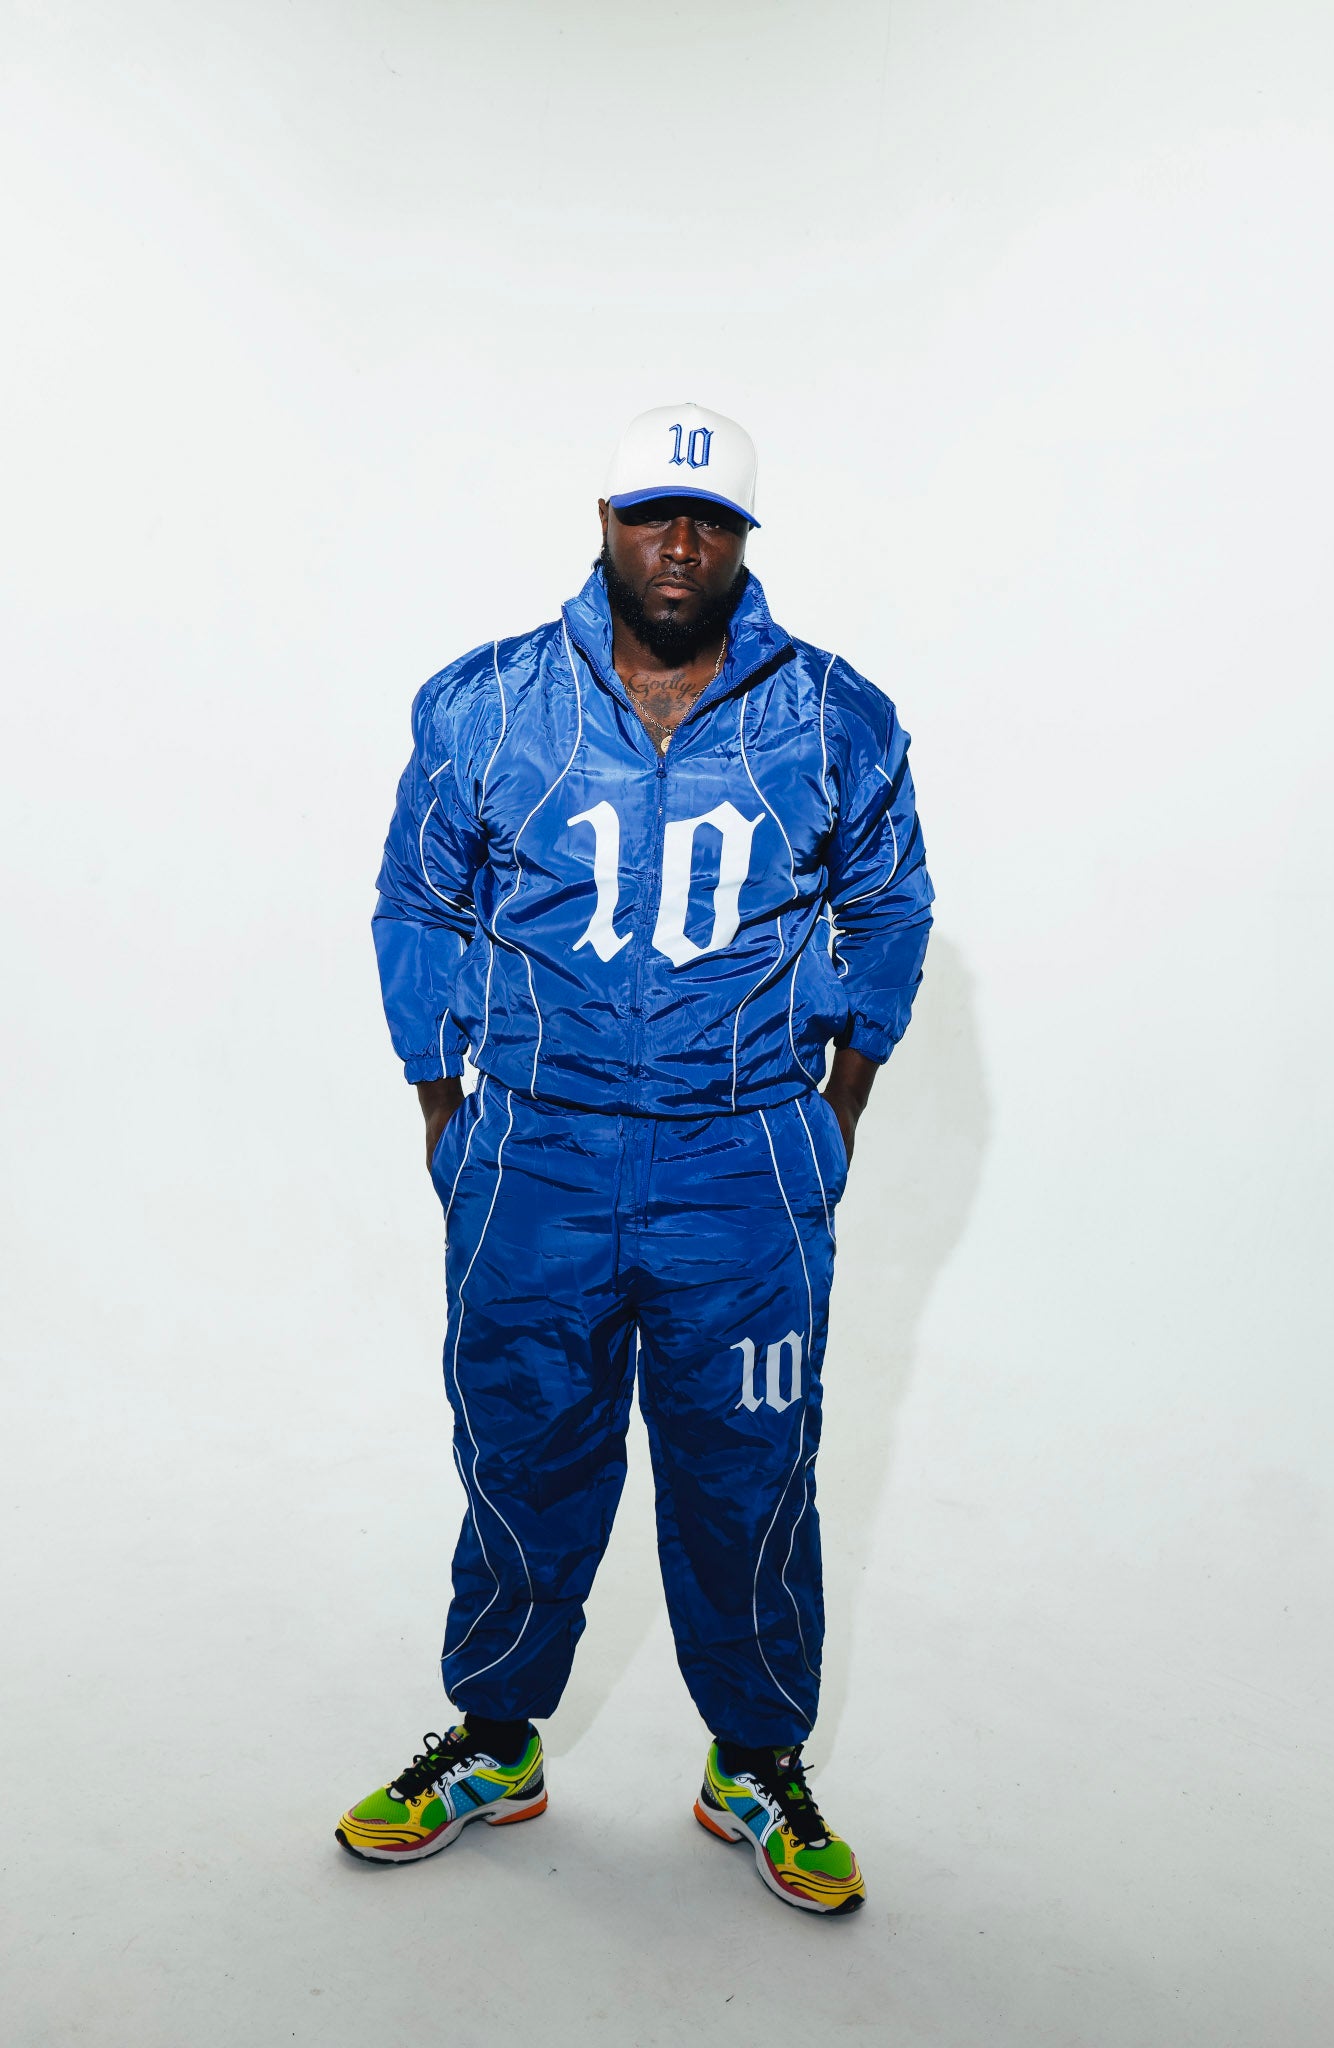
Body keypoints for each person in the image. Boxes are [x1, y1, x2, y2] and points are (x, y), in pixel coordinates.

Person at [336, 404, 934, 1916]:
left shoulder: (834, 715)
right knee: (521, 1454)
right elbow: (417, 901)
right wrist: (442, 1106)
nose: (681, 545)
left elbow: (891, 910)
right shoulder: (486, 703)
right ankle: (495, 1741)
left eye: (711, 521)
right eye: (655, 514)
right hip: (534, 1153)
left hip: (743, 1162)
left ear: (744, 541)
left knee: (752, 1469)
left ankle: (756, 1760)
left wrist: (835, 1109)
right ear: (603, 519)